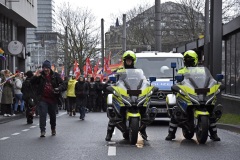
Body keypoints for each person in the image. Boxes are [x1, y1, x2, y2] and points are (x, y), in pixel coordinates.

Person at [165, 50, 221, 141]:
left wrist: (216, 84)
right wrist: (177, 86)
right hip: (187, 94)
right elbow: (178, 81)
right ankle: (171, 133)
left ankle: (214, 134)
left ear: (195, 60)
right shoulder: (181, 70)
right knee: (177, 111)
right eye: (186, 60)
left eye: (190, 60)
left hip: (200, 93)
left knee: (212, 114)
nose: (188, 61)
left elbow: (209, 80)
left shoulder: (202, 70)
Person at [105, 50, 148, 141]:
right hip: (123, 93)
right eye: (127, 60)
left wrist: (147, 85)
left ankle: (143, 130)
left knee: (144, 109)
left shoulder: (138, 72)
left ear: (133, 61)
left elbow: (143, 81)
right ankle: (109, 133)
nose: (128, 62)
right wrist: (112, 85)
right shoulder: (120, 71)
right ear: (124, 61)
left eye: (130, 60)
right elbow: (116, 82)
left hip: (135, 93)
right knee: (113, 112)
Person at [30, 60, 66, 137]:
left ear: (50, 68)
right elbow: (31, 83)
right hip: (42, 99)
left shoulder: (55, 75)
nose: (45, 70)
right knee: (42, 114)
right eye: (44, 68)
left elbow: (63, 85)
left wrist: (58, 88)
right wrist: (35, 76)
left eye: (47, 68)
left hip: (53, 99)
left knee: (53, 115)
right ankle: (42, 130)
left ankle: (53, 128)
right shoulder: (40, 76)